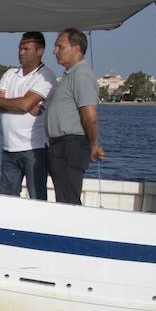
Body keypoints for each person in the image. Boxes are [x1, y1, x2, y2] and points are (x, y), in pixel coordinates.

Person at [0, 32, 56, 199]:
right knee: (7, 199)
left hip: (34, 149)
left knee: (37, 198)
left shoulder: (45, 76)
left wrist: (14, 103)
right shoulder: (10, 74)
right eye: (20, 48)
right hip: (9, 148)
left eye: (26, 49)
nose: (21, 52)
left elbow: (22, 104)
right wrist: (21, 106)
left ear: (40, 51)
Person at [44, 28, 107, 204]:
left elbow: (90, 115)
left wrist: (94, 145)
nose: (55, 51)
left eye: (60, 47)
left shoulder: (82, 75)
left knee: (68, 199)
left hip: (70, 146)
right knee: (64, 196)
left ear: (76, 48)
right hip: (61, 146)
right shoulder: (70, 76)